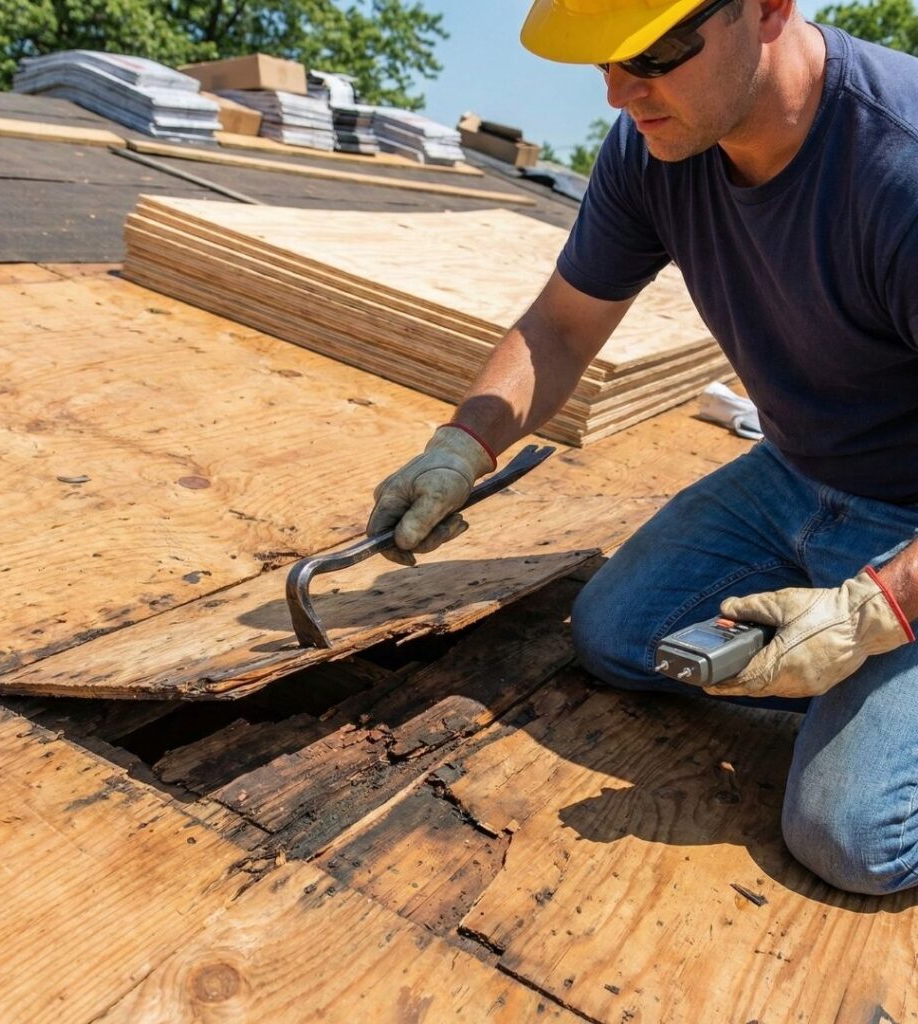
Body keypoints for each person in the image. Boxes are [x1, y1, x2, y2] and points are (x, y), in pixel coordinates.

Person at [367, 0, 918, 895]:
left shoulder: (902, 167)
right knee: (617, 637)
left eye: (653, 54)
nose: (623, 94)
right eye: (603, 65)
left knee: (852, 834)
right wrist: (463, 444)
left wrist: (872, 614)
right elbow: (560, 328)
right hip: (797, 471)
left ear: (770, 9)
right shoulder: (659, 144)